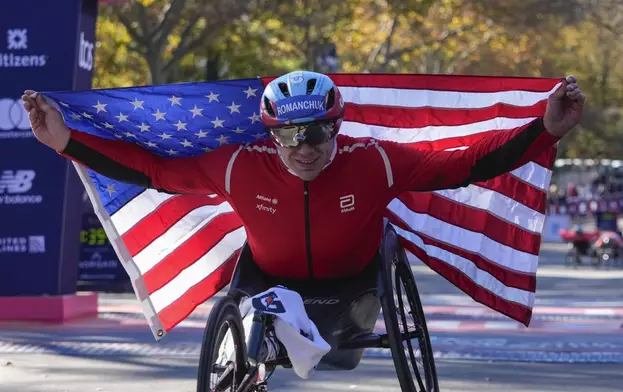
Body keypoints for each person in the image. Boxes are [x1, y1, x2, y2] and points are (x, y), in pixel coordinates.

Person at [22, 70, 585, 362]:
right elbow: (150, 171)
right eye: (288, 134)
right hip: (271, 281)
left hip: (356, 281)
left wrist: (546, 129)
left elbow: (466, 164)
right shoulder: (239, 165)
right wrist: (66, 140)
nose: (303, 147)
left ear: (335, 126)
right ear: (272, 134)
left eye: (315, 131)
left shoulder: (378, 162)